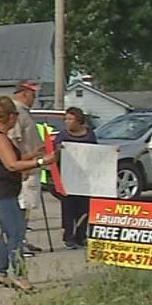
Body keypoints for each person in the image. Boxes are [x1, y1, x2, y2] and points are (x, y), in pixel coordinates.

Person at [0, 97, 54, 293]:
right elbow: (12, 164)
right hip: (2, 192)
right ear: (11, 117)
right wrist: (42, 162)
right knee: (16, 232)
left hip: (4, 190)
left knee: (7, 231)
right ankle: (20, 276)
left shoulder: (2, 137)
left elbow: (13, 158)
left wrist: (34, 154)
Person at [54, 107, 97, 249]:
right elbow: (55, 156)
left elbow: (96, 153)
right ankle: (69, 237)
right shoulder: (63, 135)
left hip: (85, 178)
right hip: (67, 178)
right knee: (68, 209)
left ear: (78, 120)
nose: (67, 122)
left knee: (84, 208)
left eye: (70, 119)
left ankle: (81, 236)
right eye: (65, 119)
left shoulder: (89, 135)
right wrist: (58, 151)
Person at [10, 80, 45, 255]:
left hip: (32, 165)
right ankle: (18, 243)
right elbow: (14, 141)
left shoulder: (24, 113)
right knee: (21, 206)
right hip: (24, 167)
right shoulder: (16, 113)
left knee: (27, 206)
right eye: (32, 94)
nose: (34, 98)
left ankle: (22, 239)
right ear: (24, 93)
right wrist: (22, 166)